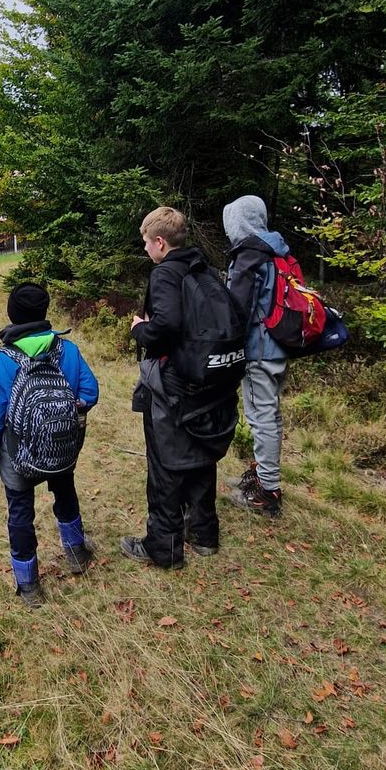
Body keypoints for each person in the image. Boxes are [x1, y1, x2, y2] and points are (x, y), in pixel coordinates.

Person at [121, 206, 242, 570]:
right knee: (201, 455)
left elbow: (167, 325)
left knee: (164, 463)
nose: (144, 249)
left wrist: (139, 329)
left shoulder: (165, 274)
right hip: (210, 381)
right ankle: (204, 534)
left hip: (175, 383)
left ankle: (163, 546)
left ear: (159, 242)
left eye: (145, 242)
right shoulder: (206, 269)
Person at [0, 282, 99, 608]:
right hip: (62, 448)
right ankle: (76, 554)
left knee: (20, 514)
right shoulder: (66, 350)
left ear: (12, 315)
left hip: (17, 457)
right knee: (66, 494)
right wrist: (71, 407)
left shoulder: (3, 362)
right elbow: (91, 391)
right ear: (44, 312)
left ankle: (29, 584)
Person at [222, 195, 289, 516]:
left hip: (259, 351)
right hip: (278, 346)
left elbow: (237, 310)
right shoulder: (274, 249)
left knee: (262, 419)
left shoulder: (249, 255)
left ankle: (268, 492)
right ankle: (262, 476)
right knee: (269, 416)